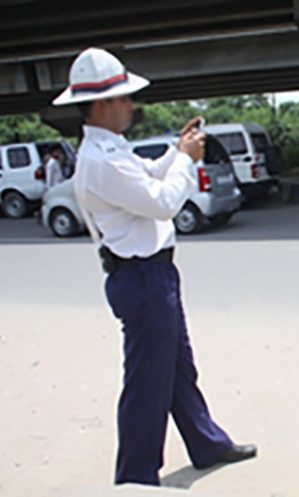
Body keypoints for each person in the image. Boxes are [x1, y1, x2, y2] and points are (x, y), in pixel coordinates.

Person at [52, 48, 256, 486]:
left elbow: (147, 176)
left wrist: (174, 152)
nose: (131, 105)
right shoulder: (101, 159)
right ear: (102, 104)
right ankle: (136, 479)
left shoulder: (109, 149)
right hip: (142, 278)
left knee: (178, 370)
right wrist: (185, 159)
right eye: (124, 98)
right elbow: (162, 202)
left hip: (152, 275)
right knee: (148, 385)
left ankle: (206, 442)